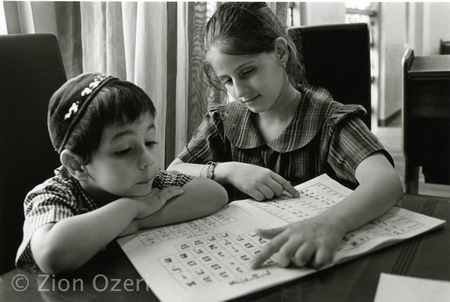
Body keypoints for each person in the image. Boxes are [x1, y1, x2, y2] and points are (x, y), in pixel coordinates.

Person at [167, 2, 403, 270]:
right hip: (245, 263)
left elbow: (386, 182)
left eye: (247, 72)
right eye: (228, 80)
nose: (239, 91)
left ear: (280, 52)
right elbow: (174, 171)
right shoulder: (223, 122)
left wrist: (329, 223)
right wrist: (227, 170)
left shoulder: (329, 120)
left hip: (315, 262)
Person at [15, 72, 228, 274]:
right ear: (77, 165)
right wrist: (131, 207)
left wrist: (136, 222)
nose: (147, 159)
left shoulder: (148, 183)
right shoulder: (53, 194)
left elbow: (214, 193)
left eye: (149, 141)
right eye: (124, 150)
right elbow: (52, 253)